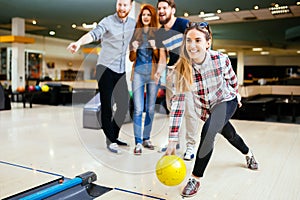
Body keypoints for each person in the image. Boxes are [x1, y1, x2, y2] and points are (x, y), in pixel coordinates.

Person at [164, 22, 259, 198]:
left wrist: (237, 96)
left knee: (208, 132)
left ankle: (195, 178)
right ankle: (249, 154)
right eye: (189, 40)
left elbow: (232, 80)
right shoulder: (183, 68)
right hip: (207, 108)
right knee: (230, 135)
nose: (192, 45)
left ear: (208, 42)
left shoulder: (220, 59)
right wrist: (172, 139)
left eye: (198, 40)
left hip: (226, 100)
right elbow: (177, 104)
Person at [67, 0, 136, 154]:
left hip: (120, 69)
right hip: (105, 68)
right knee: (107, 105)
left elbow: (137, 40)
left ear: (130, 6)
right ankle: (110, 139)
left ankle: (114, 136)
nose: (121, 8)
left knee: (124, 104)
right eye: (119, 4)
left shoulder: (133, 24)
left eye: (125, 5)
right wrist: (79, 43)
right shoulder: (108, 21)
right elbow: (93, 34)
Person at [154, 0, 199, 160]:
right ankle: (174, 142)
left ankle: (191, 146)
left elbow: (192, 48)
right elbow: (162, 57)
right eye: (159, 8)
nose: (161, 11)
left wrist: (179, 65)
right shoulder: (160, 32)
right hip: (171, 73)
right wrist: (159, 73)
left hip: (187, 72)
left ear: (172, 10)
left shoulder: (184, 25)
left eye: (164, 8)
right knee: (172, 110)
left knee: (189, 111)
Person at [129, 4, 160, 155]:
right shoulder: (136, 34)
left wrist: (154, 47)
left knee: (151, 108)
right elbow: (131, 58)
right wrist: (133, 49)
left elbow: (162, 58)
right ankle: (138, 142)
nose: (145, 17)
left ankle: (147, 138)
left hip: (153, 74)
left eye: (148, 15)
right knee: (138, 109)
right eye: (143, 15)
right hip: (138, 75)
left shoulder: (158, 34)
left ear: (152, 17)